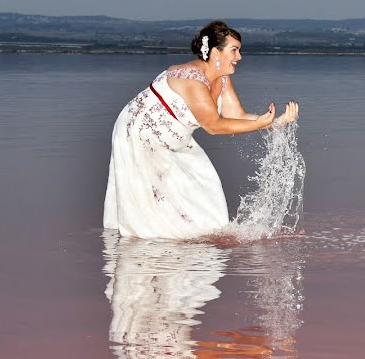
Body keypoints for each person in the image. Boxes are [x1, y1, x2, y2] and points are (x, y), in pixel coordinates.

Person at [103, 20, 299, 239]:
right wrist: (259, 124)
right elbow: (213, 126)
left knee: (204, 182)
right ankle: (154, 256)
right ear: (215, 52)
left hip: (176, 139)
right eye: (234, 50)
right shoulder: (191, 79)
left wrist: (274, 123)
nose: (239, 57)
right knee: (151, 210)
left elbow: (237, 116)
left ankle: (193, 243)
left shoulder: (222, 79)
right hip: (139, 133)